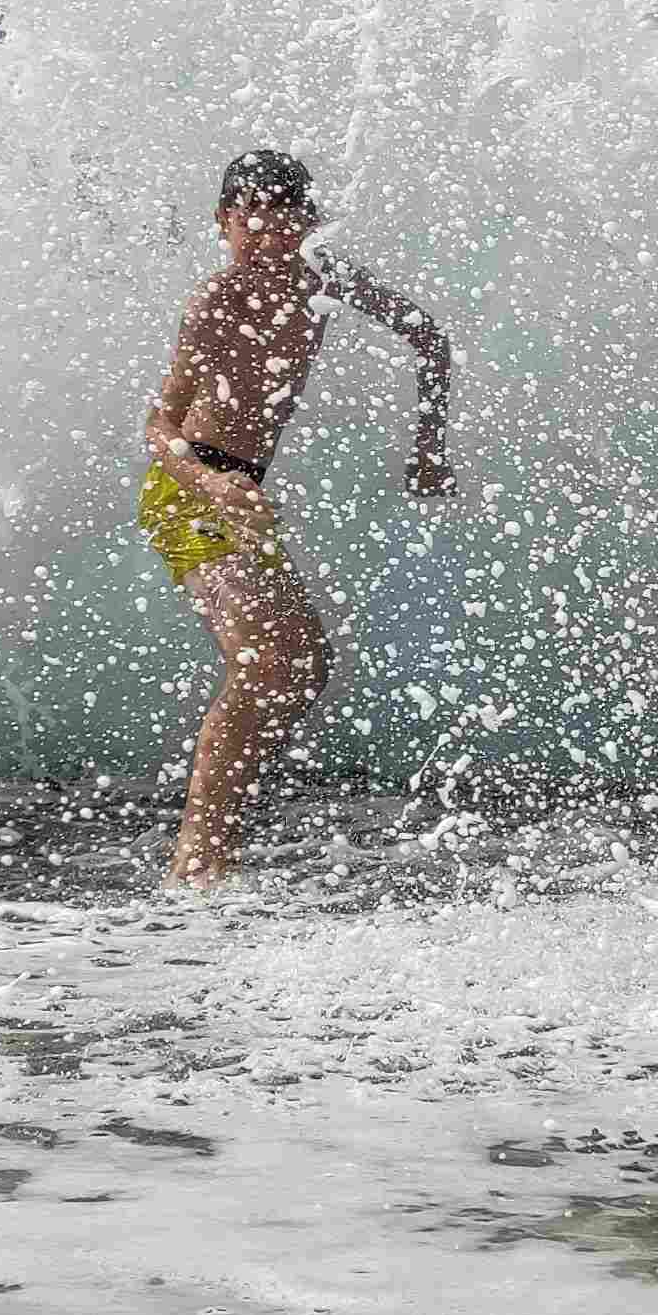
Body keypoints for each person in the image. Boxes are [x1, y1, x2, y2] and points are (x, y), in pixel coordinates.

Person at [137, 147, 453, 888]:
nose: (267, 231)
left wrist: (428, 448)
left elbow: (429, 339)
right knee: (269, 661)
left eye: (284, 216)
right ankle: (198, 862)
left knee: (303, 666)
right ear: (224, 222)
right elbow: (159, 426)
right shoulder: (215, 302)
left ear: (308, 222)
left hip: (239, 494)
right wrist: (211, 484)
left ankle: (215, 846)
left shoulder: (323, 283)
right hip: (187, 493)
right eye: (249, 215)